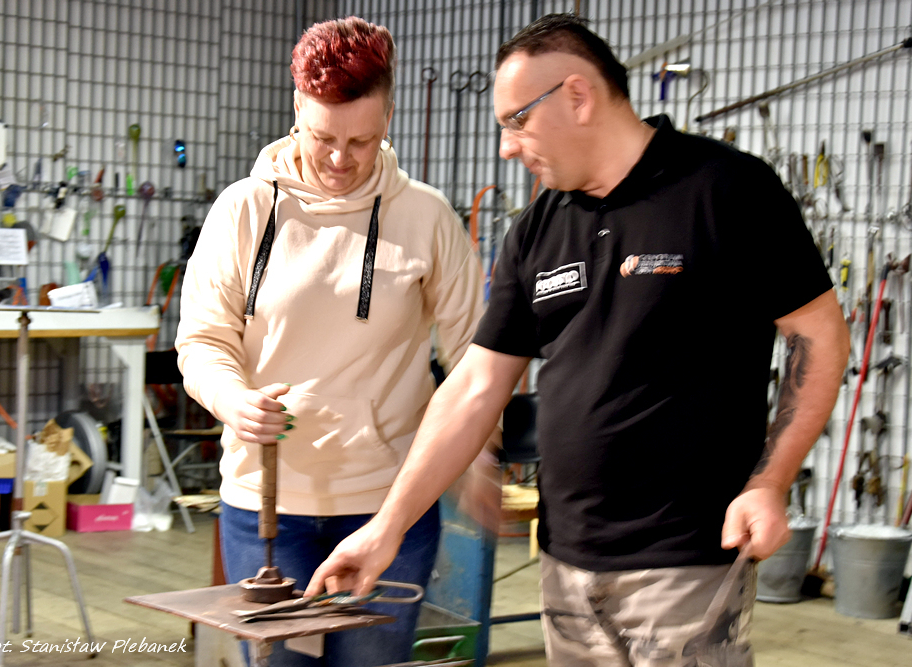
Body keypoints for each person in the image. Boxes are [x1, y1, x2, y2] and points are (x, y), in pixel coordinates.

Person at [306, 13, 851, 667]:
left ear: (577, 96)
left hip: (685, 561)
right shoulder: (538, 227)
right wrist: (387, 527)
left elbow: (820, 337)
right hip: (566, 565)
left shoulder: (725, 189)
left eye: (516, 121)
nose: (507, 147)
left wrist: (770, 481)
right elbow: (476, 386)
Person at [174, 16, 487, 667]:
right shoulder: (242, 210)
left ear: (389, 117)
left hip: (389, 508)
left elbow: (474, 357)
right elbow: (202, 340)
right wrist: (232, 399)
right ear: (297, 110)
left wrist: (480, 456)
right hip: (265, 506)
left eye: (361, 140)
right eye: (323, 138)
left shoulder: (427, 217)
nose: (341, 159)